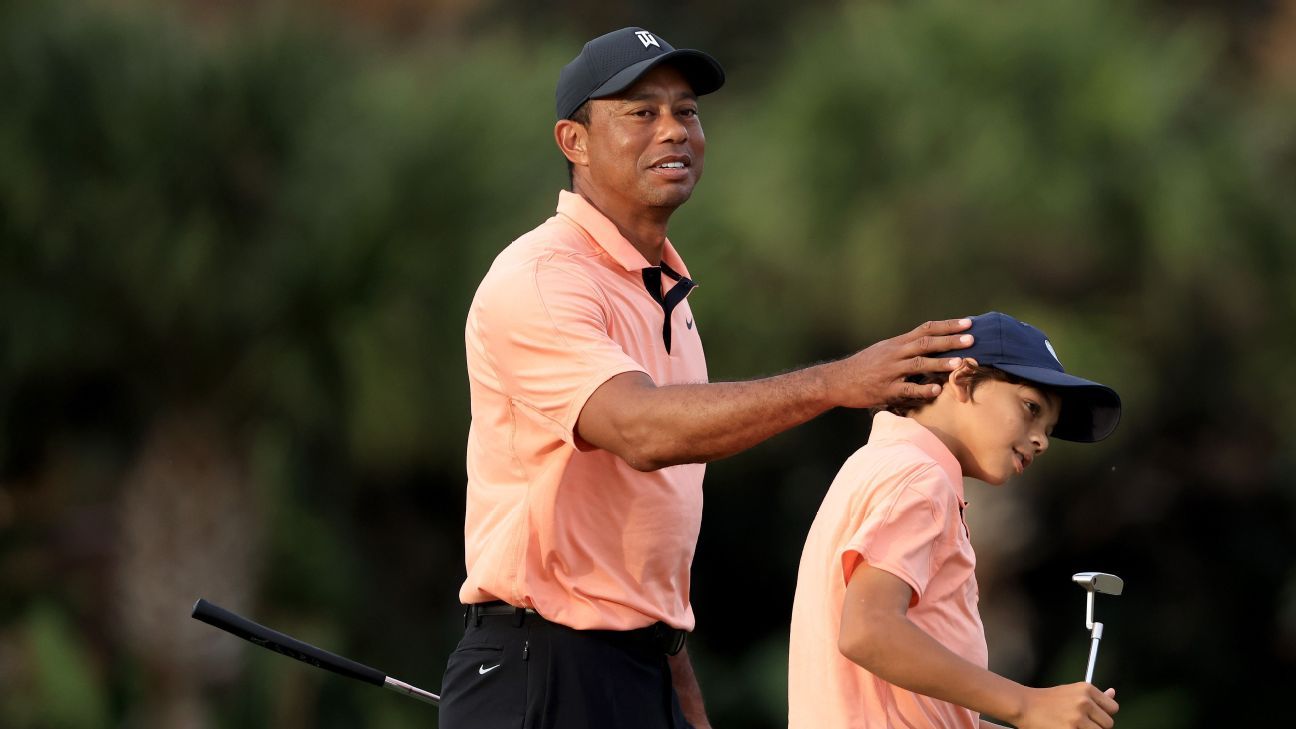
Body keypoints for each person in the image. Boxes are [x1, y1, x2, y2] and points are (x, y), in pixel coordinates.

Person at [440, 26, 974, 729]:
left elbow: (641, 538)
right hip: (541, 663)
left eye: (686, 111)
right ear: (573, 141)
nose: (675, 131)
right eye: (642, 112)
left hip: (639, 667)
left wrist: (679, 690)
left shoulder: (666, 296)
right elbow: (638, 430)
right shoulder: (542, 278)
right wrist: (836, 382)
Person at [787, 311, 1124, 729]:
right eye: (1030, 407)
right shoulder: (919, 479)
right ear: (963, 381)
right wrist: (1025, 704)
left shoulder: (886, 464)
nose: (1041, 440)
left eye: (1049, 429)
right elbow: (868, 631)